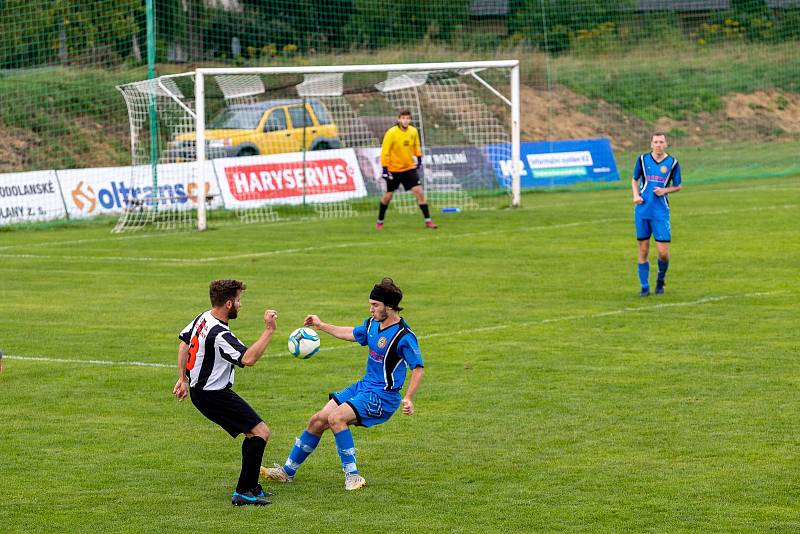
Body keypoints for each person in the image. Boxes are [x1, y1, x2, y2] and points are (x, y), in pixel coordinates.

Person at [261, 277, 425, 491]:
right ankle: (286, 472)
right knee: (317, 420)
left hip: (383, 396)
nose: (371, 309)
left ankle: (353, 476)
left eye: (375, 305)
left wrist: (409, 397)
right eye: (370, 304)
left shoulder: (404, 336)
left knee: (336, 418)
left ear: (390, 306)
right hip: (364, 387)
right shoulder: (373, 324)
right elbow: (351, 333)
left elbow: (418, 368)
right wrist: (321, 325)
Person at [172, 279, 278, 506]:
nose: (241, 305)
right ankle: (243, 491)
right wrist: (269, 330)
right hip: (212, 395)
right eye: (239, 300)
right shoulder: (220, 335)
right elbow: (248, 359)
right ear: (229, 303)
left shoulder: (203, 317)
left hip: (203, 391)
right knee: (260, 432)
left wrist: (182, 379)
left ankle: (251, 486)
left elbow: (184, 342)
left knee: (256, 433)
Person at [632, 133, 683, 296]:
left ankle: (661, 279)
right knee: (643, 249)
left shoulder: (672, 163)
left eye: (661, 142)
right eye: (656, 142)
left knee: (663, 252)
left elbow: (678, 186)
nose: (658, 145)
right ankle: (644, 286)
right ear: (651, 144)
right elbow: (634, 179)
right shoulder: (642, 160)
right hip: (642, 210)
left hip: (660, 212)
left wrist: (665, 190)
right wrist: (636, 195)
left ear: (666, 144)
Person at [375, 110, 438, 230]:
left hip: (409, 168)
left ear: (410, 120)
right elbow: (385, 151)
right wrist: (384, 169)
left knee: (419, 192)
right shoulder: (391, 133)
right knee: (388, 196)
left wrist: (419, 158)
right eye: (403, 118)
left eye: (407, 118)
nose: (405, 120)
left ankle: (428, 221)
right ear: (399, 119)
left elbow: (416, 145)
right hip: (393, 169)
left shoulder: (413, 131)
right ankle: (380, 221)